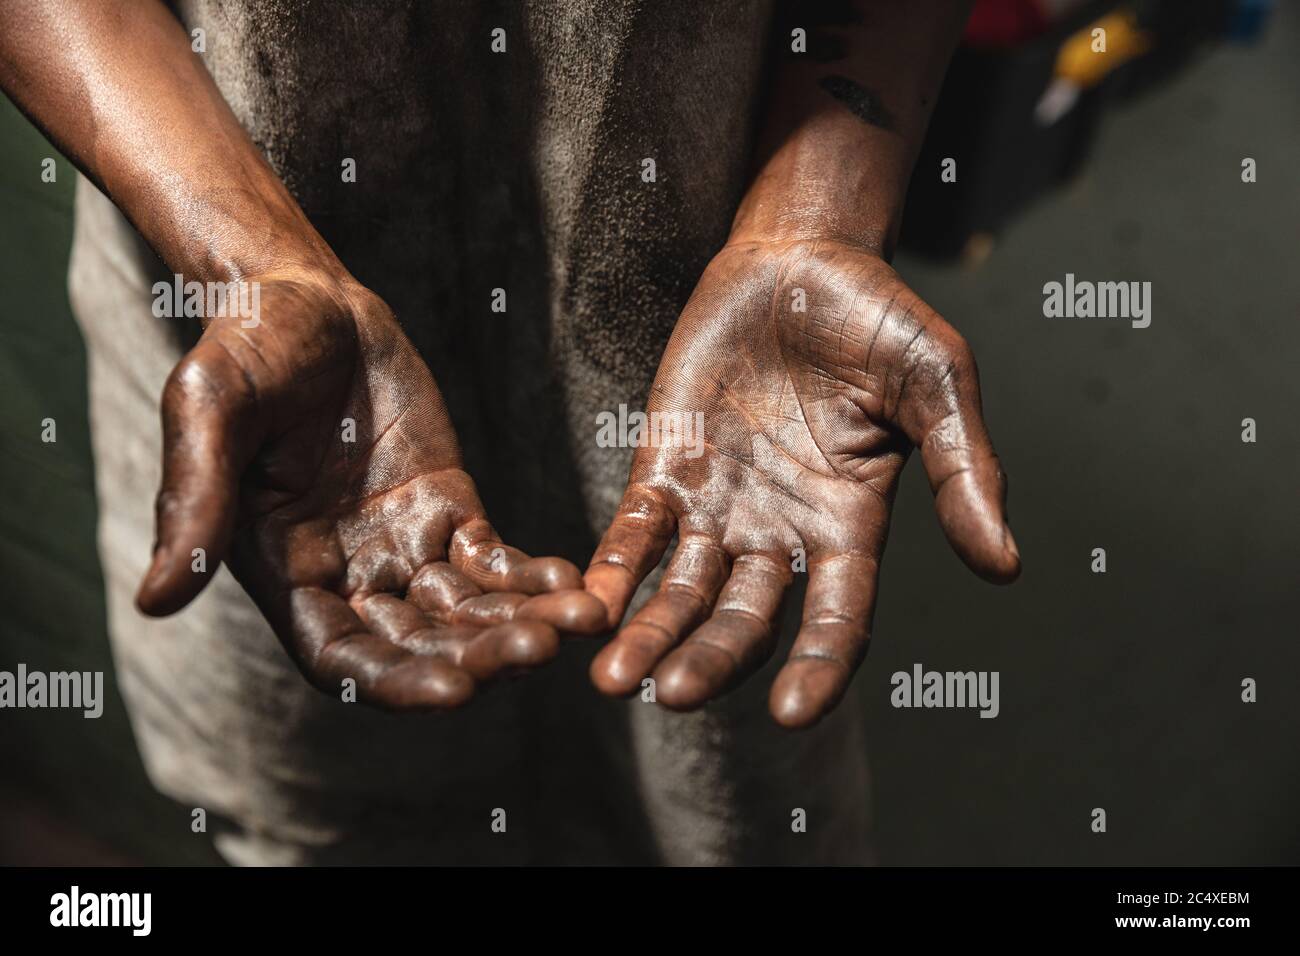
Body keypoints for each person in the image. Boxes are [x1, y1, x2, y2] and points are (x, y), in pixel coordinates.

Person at [0, 0, 1018, 864]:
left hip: (715, 351)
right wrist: (247, 263)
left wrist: (818, 213)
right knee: (328, 799)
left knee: (717, 805)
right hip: (258, 330)